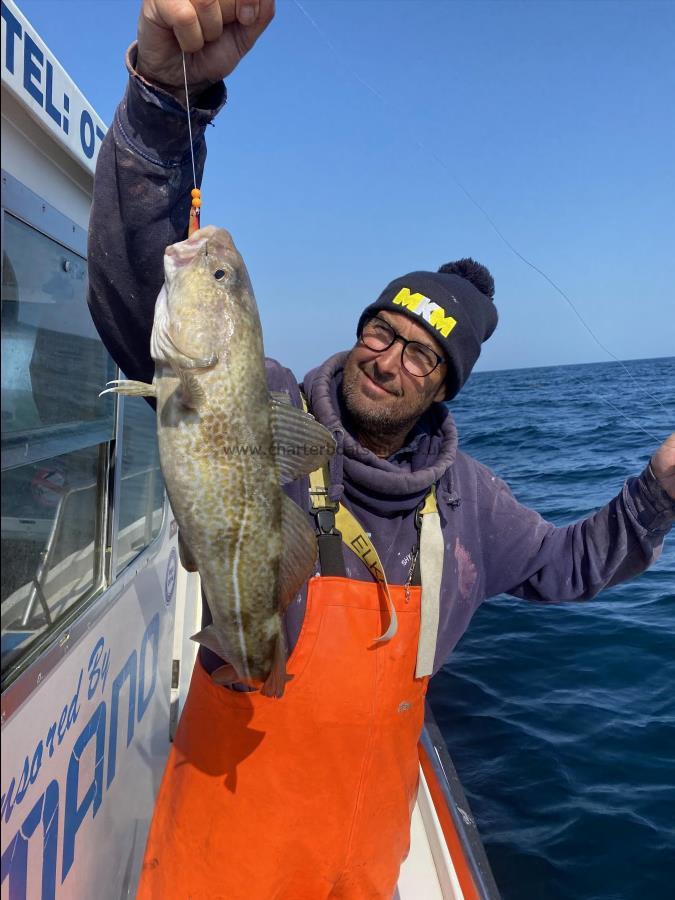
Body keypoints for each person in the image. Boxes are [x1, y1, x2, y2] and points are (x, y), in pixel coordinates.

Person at [86, 2, 675, 897]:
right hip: (220, 836)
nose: (386, 359)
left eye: (420, 354)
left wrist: (657, 494)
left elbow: (566, 565)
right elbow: (139, 294)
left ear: (443, 385)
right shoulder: (264, 399)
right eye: (379, 329)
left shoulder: (470, 502)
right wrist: (171, 99)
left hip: (360, 861)